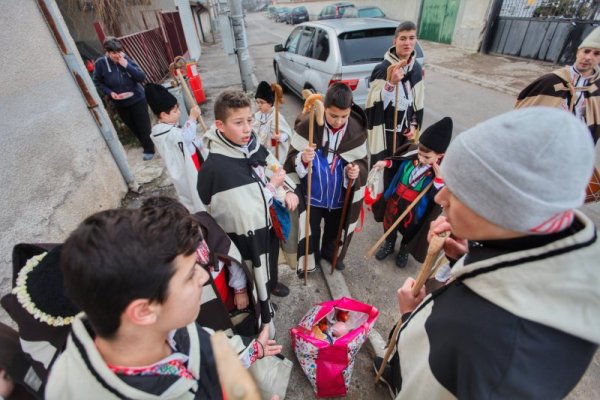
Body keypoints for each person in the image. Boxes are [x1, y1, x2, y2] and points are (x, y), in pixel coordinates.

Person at [374, 107, 600, 399]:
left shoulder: (487, 344)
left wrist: (408, 318)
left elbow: (434, 381)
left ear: (496, 206)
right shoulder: (536, 244)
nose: (441, 197)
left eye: (456, 190)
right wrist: (464, 257)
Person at [45, 207, 282, 399]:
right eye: (190, 274)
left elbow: (204, 352)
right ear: (144, 311)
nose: (203, 277)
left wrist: (254, 351)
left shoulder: (167, 325)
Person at [197, 90, 299, 330]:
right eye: (238, 122)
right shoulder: (217, 169)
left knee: (271, 258)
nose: (247, 129)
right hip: (248, 238)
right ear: (220, 125)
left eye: (250, 120)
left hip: (267, 225)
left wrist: (286, 189)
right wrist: (273, 188)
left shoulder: (250, 144)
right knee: (253, 266)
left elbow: (271, 166)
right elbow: (237, 225)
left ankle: (271, 284)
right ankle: (259, 303)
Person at [284, 82, 368, 272]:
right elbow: (290, 160)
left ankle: (331, 254)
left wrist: (355, 172)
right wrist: (303, 159)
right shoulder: (308, 125)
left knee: (335, 230)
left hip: (339, 195)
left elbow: (362, 162)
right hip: (312, 194)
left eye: (344, 116)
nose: (339, 121)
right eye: (333, 116)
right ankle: (311, 259)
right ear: (325, 108)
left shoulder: (356, 129)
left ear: (350, 110)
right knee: (311, 230)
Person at [371, 117, 452, 268]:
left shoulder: (442, 173)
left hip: (416, 207)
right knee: (390, 223)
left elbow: (436, 199)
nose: (421, 158)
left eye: (427, 157)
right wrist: (386, 163)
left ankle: (404, 250)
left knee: (410, 231)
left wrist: (439, 180)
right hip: (396, 198)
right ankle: (389, 243)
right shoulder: (412, 153)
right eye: (420, 153)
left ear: (439, 156)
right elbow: (397, 161)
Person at [516, 27, 600, 145]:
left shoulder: (597, 86)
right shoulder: (552, 81)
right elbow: (522, 113)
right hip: (547, 144)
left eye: (597, 53)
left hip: (578, 146)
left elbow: (595, 123)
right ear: (578, 52)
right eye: (586, 51)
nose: (588, 57)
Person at [365, 21, 424, 165]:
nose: (407, 43)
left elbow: (418, 102)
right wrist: (391, 83)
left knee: (403, 173)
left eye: (411, 38)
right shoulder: (383, 68)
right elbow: (373, 106)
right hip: (386, 135)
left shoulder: (416, 68)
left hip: (407, 135)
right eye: (403, 38)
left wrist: (414, 125)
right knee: (384, 175)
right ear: (395, 41)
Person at [145, 83, 205, 213]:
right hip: (187, 166)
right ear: (163, 115)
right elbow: (186, 138)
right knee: (194, 190)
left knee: (200, 186)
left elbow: (189, 141)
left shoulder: (170, 128)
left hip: (193, 159)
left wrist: (203, 142)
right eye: (175, 111)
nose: (179, 112)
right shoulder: (165, 133)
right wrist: (193, 117)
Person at [93, 37, 155, 160]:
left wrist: (126, 65)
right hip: (120, 102)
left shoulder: (125, 59)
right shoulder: (100, 63)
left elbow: (141, 77)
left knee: (143, 126)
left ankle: (149, 149)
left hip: (137, 99)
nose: (118, 55)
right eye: (114, 53)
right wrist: (111, 93)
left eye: (119, 52)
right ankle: (146, 143)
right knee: (133, 126)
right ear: (107, 52)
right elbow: (97, 81)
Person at [253, 81, 291, 164]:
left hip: (273, 150)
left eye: (261, 102)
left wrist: (280, 137)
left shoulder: (276, 117)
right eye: (257, 102)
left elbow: (287, 135)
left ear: (270, 103)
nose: (258, 105)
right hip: (261, 150)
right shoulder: (258, 115)